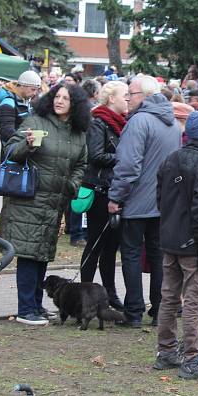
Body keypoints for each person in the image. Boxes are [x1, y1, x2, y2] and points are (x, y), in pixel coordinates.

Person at [0, 84, 90, 325]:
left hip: (54, 202)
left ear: (76, 104)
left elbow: (82, 163)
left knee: (41, 255)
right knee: (29, 255)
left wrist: (72, 185)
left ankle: (36, 305)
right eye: (56, 96)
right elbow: (10, 152)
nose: (59, 101)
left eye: (65, 98)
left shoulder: (78, 133)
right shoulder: (36, 121)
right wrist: (27, 145)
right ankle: (25, 308)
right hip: (28, 200)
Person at [154, 111, 198, 382]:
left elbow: (161, 199)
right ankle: (192, 358)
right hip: (190, 242)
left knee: (170, 296)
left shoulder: (171, 159)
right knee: (193, 301)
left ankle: (166, 351)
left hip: (171, 237)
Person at [108, 75, 182, 327]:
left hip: (138, 202)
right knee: (159, 256)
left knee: (131, 255)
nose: (128, 98)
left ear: (147, 96)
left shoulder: (139, 121)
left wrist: (116, 196)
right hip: (163, 203)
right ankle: (160, 310)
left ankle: (133, 312)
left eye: (132, 93)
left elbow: (128, 165)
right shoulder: (171, 123)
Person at [80, 80, 128, 311]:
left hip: (115, 190)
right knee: (95, 244)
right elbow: (95, 155)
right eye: (124, 95)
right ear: (112, 99)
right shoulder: (98, 122)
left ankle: (110, 293)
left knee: (111, 247)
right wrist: (125, 158)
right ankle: (85, 294)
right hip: (100, 190)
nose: (128, 99)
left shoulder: (121, 123)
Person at [0, 70, 42, 144]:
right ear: (22, 86)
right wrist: (26, 140)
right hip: (12, 149)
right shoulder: (8, 103)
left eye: (37, 90)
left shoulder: (26, 100)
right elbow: (6, 132)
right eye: (33, 89)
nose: (35, 93)